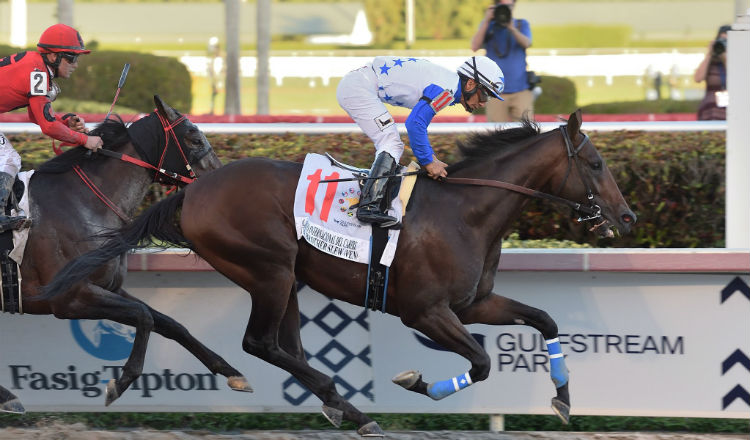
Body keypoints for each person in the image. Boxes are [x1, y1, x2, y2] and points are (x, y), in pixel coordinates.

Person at [337, 55, 504, 227]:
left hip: (359, 84)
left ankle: (375, 200)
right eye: (485, 95)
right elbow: (415, 124)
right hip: (359, 88)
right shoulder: (446, 90)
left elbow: (416, 123)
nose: (484, 103)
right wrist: (429, 162)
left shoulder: (448, 86)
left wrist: (431, 159)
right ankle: (369, 206)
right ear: (470, 84)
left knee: (391, 141)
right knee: (391, 142)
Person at [0, 24, 102, 230]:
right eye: (72, 57)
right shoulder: (38, 72)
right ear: (54, 57)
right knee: (9, 158)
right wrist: (85, 140)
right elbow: (47, 127)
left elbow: (36, 115)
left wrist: (66, 121)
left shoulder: (36, 66)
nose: (75, 64)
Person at [470, 0, 533, 122]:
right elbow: (474, 46)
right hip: (494, 91)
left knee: (527, 133)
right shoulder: (488, 25)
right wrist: (487, 21)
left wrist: (512, 28)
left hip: (521, 90)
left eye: (509, 6)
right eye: (503, 6)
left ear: (514, 6)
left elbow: (527, 43)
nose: (506, 9)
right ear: (496, 7)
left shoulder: (521, 24)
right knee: (497, 134)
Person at [694, 24, 730, 121]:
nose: (724, 44)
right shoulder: (711, 62)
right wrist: (709, 54)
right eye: (721, 40)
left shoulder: (736, 62)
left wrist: (725, 58)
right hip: (710, 110)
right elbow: (698, 78)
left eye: (727, 41)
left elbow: (736, 79)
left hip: (730, 111)